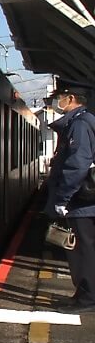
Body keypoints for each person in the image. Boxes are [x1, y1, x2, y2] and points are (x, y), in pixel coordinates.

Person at [46, 83, 95, 314]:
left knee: (83, 250)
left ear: (72, 98)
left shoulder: (79, 124)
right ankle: (83, 295)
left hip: (81, 202)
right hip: (83, 202)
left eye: (59, 97)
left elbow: (77, 164)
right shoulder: (82, 122)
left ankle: (88, 299)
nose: (57, 102)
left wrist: (63, 198)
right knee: (83, 249)